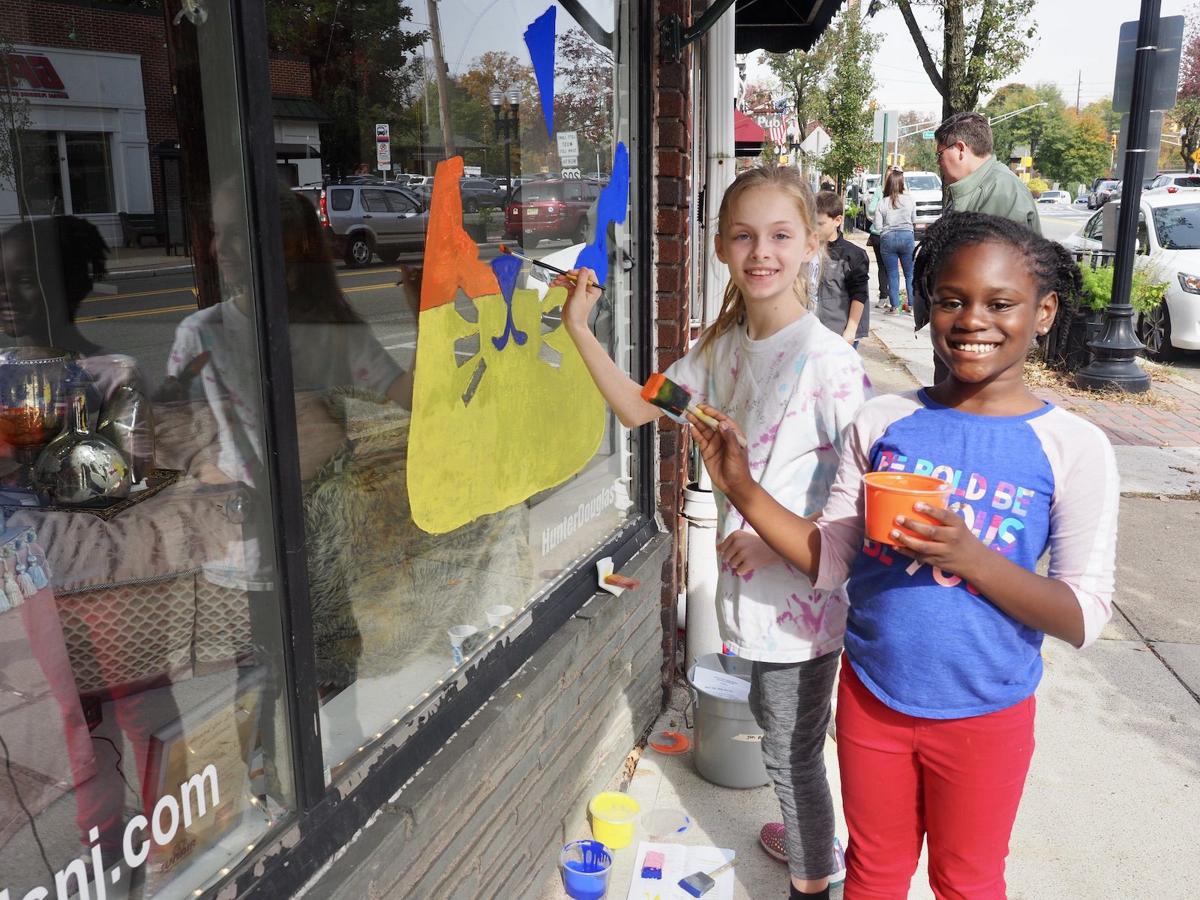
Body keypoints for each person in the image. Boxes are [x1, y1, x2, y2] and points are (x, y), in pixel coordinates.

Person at [688, 212, 1119, 900]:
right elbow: (830, 559)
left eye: (999, 303)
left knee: (967, 880)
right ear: (927, 307)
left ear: (1043, 313)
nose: (972, 319)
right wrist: (739, 484)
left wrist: (970, 556)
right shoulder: (883, 422)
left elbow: (1083, 614)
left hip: (987, 714)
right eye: (951, 300)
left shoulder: (1073, 447)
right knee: (873, 872)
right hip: (873, 700)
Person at [557, 165, 869, 900]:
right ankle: (807, 838)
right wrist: (578, 326)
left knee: (793, 754)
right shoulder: (721, 350)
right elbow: (642, 407)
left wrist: (770, 535)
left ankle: (812, 878)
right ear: (723, 247)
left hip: (803, 606)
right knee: (773, 724)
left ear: (810, 245)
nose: (762, 252)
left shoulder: (833, 366)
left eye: (780, 235)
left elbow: (859, 513)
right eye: (744, 236)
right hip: (749, 598)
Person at [927, 112, 1043, 382]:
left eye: (939, 154)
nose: (939, 163)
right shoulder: (971, 188)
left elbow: (994, 277)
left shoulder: (1002, 191)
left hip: (981, 340)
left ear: (959, 149)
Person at [813, 190, 870, 347]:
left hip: (840, 334)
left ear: (837, 220)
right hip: (813, 332)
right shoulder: (806, 251)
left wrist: (850, 331)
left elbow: (859, 294)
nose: (814, 228)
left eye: (820, 223)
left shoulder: (853, 255)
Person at [874, 169, 916, 316]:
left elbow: (878, 226)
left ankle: (895, 307)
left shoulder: (882, 202)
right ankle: (912, 306)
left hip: (888, 238)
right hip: (906, 237)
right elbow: (914, 219)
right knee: (910, 274)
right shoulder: (909, 200)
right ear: (902, 183)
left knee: (892, 274)